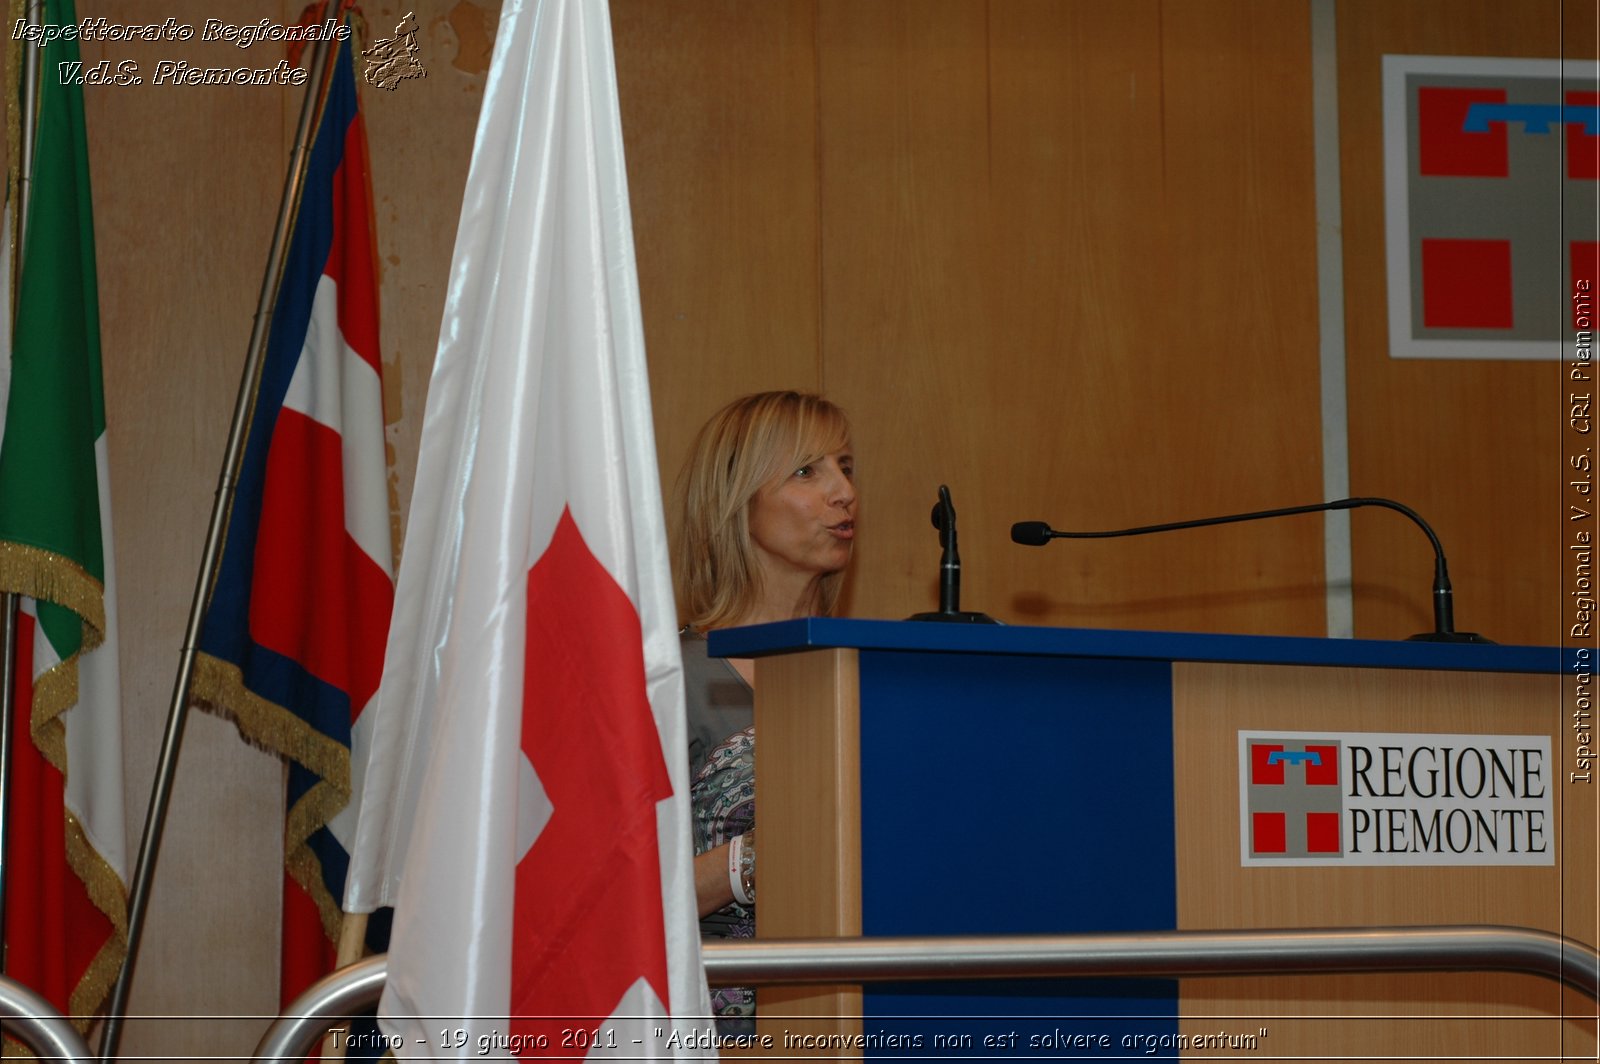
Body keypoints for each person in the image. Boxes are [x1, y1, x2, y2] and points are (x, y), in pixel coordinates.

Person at [671, 390, 856, 1026]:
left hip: (862, 1017)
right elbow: (601, 904)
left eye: (845, 467)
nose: (844, 492)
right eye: (808, 471)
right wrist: (753, 859)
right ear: (736, 502)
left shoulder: (871, 674)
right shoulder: (666, 681)